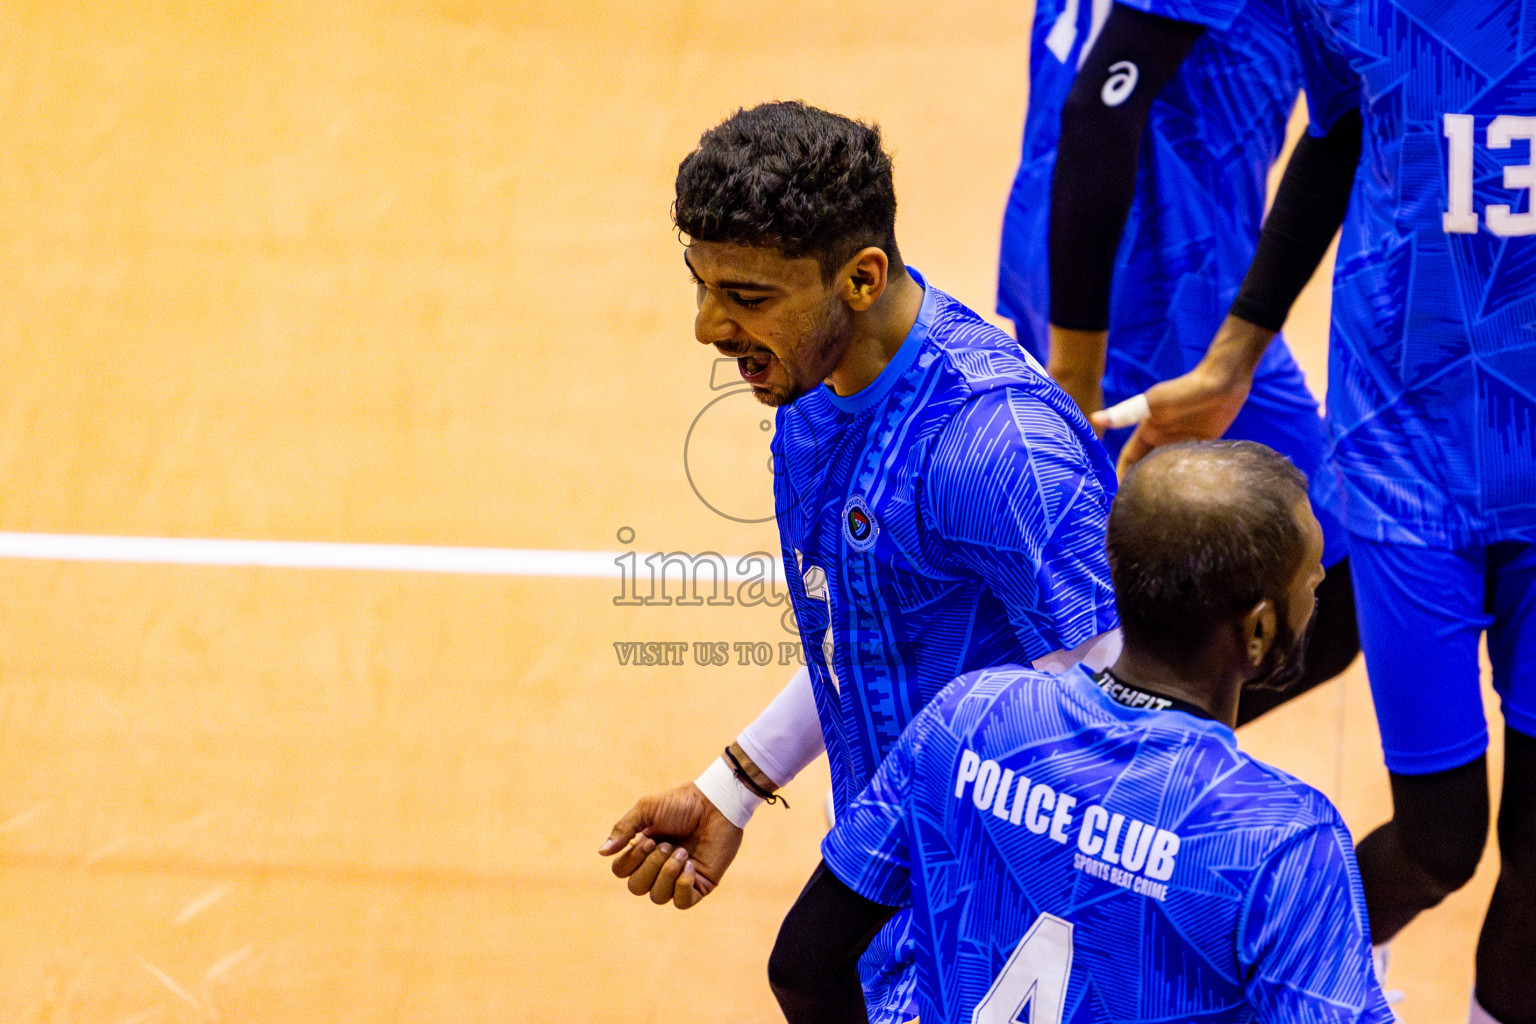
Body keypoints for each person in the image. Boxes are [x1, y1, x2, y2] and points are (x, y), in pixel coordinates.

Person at [598, 101, 1120, 1022]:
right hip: (896, 900)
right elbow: (869, 628)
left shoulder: (998, 450)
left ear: (862, 277)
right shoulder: (808, 396)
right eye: (702, 285)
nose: (709, 328)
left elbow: (1120, 726)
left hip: (1016, 932)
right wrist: (735, 785)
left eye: (747, 297)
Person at [1106, 3, 1536, 1021]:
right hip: (1407, 456)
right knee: (1440, 838)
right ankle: (1268, 980)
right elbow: (1337, 136)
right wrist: (1228, 362)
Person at [769, 441, 1394, 1024]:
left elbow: (802, 966)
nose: (1320, 588)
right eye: (1312, 578)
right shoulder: (1284, 840)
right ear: (1257, 631)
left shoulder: (971, 713)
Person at [998, 0, 1361, 721]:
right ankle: (1058, 779)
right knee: (1334, 587)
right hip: (1160, 294)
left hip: (1076, 248)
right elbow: (1103, 106)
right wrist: (1074, 378)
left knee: (1122, 586)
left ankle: (1065, 781)